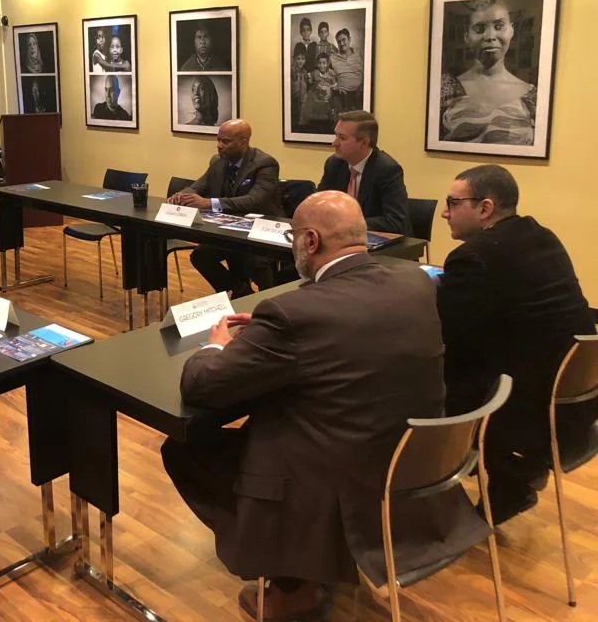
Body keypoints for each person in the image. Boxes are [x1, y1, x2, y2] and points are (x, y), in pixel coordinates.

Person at [161, 192, 487, 621]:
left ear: (310, 241)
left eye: (294, 237)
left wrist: (216, 345)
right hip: (416, 462)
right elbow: (352, 329)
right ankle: (315, 558)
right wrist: (271, 331)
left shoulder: (295, 312)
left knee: (186, 448)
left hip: (344, 478)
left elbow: (201, 385)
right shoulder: (415, 282)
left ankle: (293, 583)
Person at [437, 165, 597, 524]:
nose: (445, 212)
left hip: (525, 408)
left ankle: (442, 473)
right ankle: (504, 473)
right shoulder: (540, 235)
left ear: (485, 208)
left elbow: (444, 331)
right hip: (573, 397)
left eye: (453, 203)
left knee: (422, 369)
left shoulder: (475, 256)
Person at [168, 120, 283, 297]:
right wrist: (181, 195)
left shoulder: (265, 163)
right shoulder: (218, 161)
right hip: (228, 230)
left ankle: (269, 302)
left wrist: (210, 203)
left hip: (260, 231)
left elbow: (254, 200)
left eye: (225, 141)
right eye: (218, 140)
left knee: (255, 264)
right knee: (200, 256)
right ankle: (241, 293)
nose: (219, 145)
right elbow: (199, 186)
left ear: (243, 142)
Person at [440, 0, 536, 145]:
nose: (490, 36)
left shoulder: (532, 96)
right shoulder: (445, 88)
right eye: (479, 29)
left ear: (511, 30)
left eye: (499, 26)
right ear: (467, 37)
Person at [317, 111, 411, 234]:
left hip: (380, 241)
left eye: (342, 138)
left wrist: (348, 224)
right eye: (336, 136)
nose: (334, 144)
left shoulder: (387, 170)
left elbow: (395, 221)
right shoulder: (334, 164)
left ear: (364, 143)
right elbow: (319, 204)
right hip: (342, 238)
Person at [332, 28, 364, 114]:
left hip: (359, 93)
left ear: (349, 39)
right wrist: (335, 87)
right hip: (342, 95)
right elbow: (326, 75)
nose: (341, 43)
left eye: (344, 40)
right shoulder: (333, 58)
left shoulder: (359, 54)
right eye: (339, 42)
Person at [308, 52, 337, 125]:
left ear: (328, 63)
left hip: (327, 103)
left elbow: (334, 87)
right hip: (317, 103)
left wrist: (332, 86)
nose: (322, 65)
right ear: (317, 64)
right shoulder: (314, 73)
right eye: (319, 63)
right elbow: (310, 85)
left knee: (327, 122)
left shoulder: (331, 73)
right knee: (317, 122)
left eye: (324, 63)